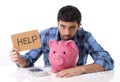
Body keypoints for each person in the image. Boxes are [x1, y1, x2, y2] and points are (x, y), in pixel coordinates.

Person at [10, 5, 114, 78]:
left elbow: (107, 61)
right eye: (63, 26)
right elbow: (28, 60)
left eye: (72, 27)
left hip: (76, 79)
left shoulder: (85, 37)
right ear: (58, 23)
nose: (66, 32)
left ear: (79, 26)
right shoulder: (45, 35)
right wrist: (19, 59)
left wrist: (79, 69)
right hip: (51, 78)